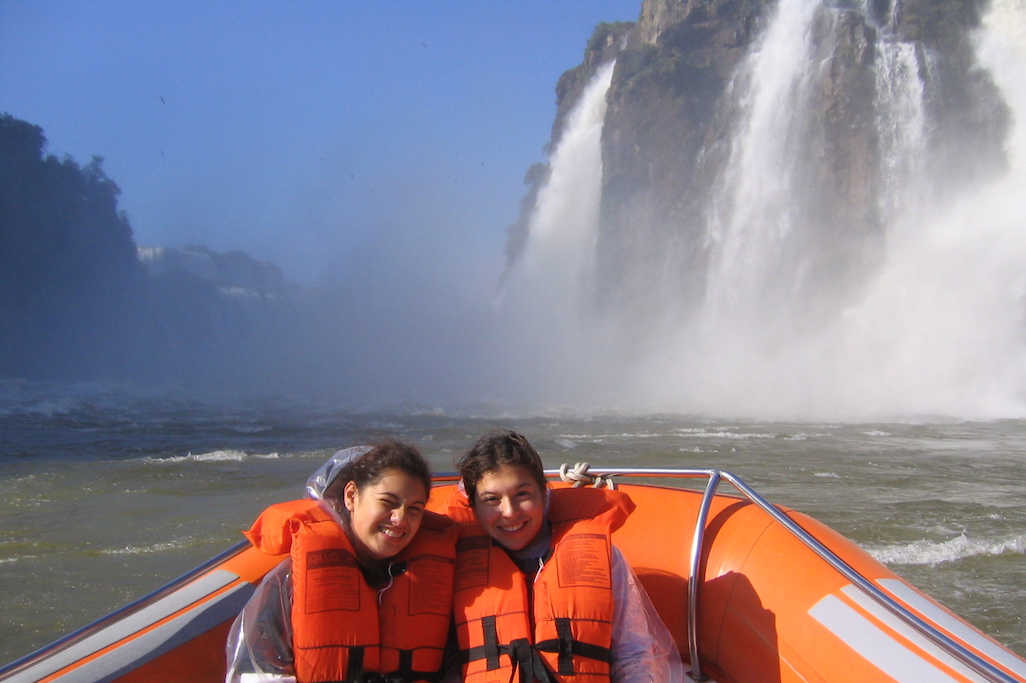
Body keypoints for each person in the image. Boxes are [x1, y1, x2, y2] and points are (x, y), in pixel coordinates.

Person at [445, 429, 684, 683]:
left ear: (544, 493)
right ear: (474, 506)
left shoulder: (602, 557)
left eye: (522, 494)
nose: (509, 512)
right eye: (491, 499)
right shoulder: (457, 563)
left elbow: (633, 652)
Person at [225, 439, 457, 683]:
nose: (399, 519)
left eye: (414, 509)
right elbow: (256, 672)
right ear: (351, 496)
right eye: (387, 502)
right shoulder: (288, 582)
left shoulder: (437, 579)